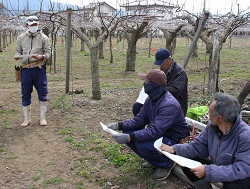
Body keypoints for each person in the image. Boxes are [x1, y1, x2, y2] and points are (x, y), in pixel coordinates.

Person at [106, 69, 190, 180]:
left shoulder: (169, 105)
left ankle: (166, 164)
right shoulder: (151, 99)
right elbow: (139, 120)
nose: (144, 84)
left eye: (146, 81)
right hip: (161, 134)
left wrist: (130, 137)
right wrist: (118, 125)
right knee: (128, 133)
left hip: (172, 137)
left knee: (140, 143)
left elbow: (155, 131)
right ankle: (154, 160)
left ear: (154, 85)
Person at [160, 92, 250, 189]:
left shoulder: (245, 135)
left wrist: (208, 171)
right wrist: (173, 149)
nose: (207, 113)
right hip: (218, 167)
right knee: (188, 163)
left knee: (234, 185)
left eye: (210, 110)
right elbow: (197, 147)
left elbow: (241, 168)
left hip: (239, 175)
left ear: (220, 118)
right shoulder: (212, 127)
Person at [14, 15, 51, 127]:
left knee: (42, 92)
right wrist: (17, 56)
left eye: (35, 24)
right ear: (27, 25)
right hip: (25, 70)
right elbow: (17, 52)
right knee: (25, 93)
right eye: (31, 25)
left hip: (39, 69)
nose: (34, 27)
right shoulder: (21, 38)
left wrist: (42, 57)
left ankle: (42, 118)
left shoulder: (44, 38)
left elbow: (49, 53)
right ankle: (27, 119)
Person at [132, 48, 188, 116]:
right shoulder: (163, 69)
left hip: (175, 103)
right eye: (159, 64)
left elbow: (175, 91)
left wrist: (156, 89)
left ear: (169, 59)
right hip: (161, 100)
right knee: (137, 106)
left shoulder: (180, 72)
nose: (160, 66)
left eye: (162, 63)